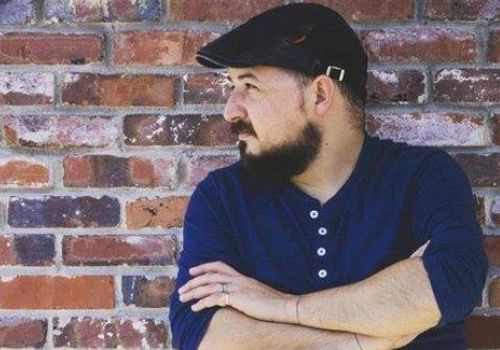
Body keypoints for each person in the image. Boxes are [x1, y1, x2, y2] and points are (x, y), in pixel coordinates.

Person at [168, 3, 488, 349]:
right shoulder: (222, 199)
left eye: (250, 86)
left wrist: (278, 306)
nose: (230, 110)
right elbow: (204, 337)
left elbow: (448, 286)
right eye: (231, 85)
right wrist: (356, 343)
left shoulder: (423, 176)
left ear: (320, 94)